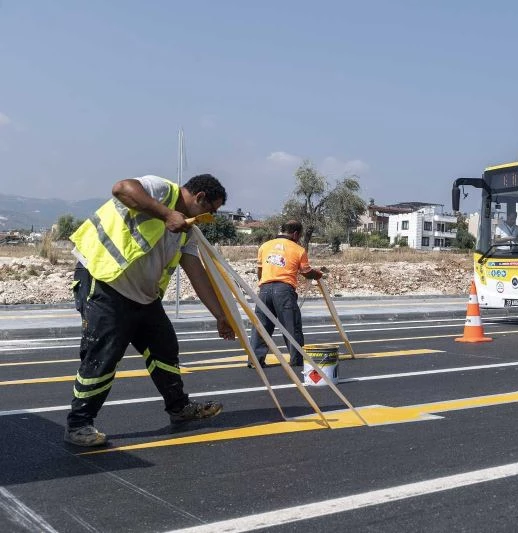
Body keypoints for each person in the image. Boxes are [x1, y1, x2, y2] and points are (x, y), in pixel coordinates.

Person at [64, 174, 235, 447]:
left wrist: (220, 315)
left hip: (144, 297)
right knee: (103, 356)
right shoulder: (161, 189)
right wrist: (167, 214)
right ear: (199, 197)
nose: (210, 217)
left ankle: (179, 408)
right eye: (210, 210)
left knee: (165, 348)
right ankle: (78, 424)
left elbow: (196, 272)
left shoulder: (188, 231)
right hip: (105, 282)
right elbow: (121, 188)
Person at [249, 220, 324, 368]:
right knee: (291, 326)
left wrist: (265, 286)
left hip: (264, 289)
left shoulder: (265, 246)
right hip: (284, 290)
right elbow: (306, 272)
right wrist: (318, 274)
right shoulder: (298, 250)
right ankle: (296, 360)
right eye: (299, 236)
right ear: (295, 234)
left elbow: (260, 270)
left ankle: (255, 361)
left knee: (261, 327)